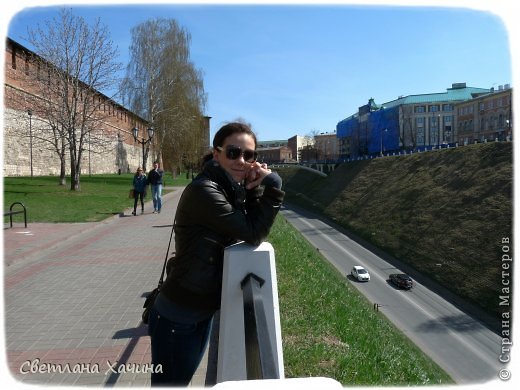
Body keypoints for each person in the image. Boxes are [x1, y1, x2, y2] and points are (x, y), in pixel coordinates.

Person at [148, 122, 285, 386]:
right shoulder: (205, 191)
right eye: (233, 153)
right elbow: (253, 231)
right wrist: (274, 187)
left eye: (249, 155)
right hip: (179, 314)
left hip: (199, 309)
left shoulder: (226, 187)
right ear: (216, 153)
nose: (242, 161)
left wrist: (253, 189)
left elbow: (246, 224)